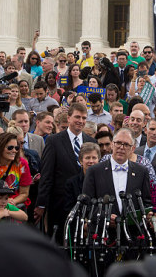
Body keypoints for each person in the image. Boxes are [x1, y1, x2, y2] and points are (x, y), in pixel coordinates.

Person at [35, 103, 95, 242]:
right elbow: (47, 174)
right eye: (77, 117)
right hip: (59, 204)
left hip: (85, 206)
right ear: (68, 118)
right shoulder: (54, 140)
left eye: (84, 118)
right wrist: (42, 203)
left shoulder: (91, 141)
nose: (80, 121)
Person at [83, 128, 153, 219]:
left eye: (126, 144)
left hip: (132, 230)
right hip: (103, 230)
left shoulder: (141, 171)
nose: (121, 147)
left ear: (133, 149)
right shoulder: (94, 171)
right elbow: (86, 205)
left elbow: (147, 202)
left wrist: (146, 214)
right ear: (112, 144)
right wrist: (105, 217)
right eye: (118, 143)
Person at [63, 142, 101, 212]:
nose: (91, 161)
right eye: (87, 158)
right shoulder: (71, 183)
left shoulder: (104, 181)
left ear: (98, 160)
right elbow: (69, 209)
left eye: (94, 158)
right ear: (80, 161)